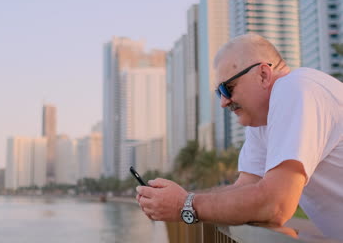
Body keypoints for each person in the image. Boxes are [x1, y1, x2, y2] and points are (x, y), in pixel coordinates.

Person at [136, 33, 343, 240]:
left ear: (263, 74)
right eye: (219, 93)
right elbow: (246, 189)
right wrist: (180, 199)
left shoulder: (294, 88)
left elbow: (275, 206)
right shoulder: (262, 121)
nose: (223, 102)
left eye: (228, 88)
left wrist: (184, 205)